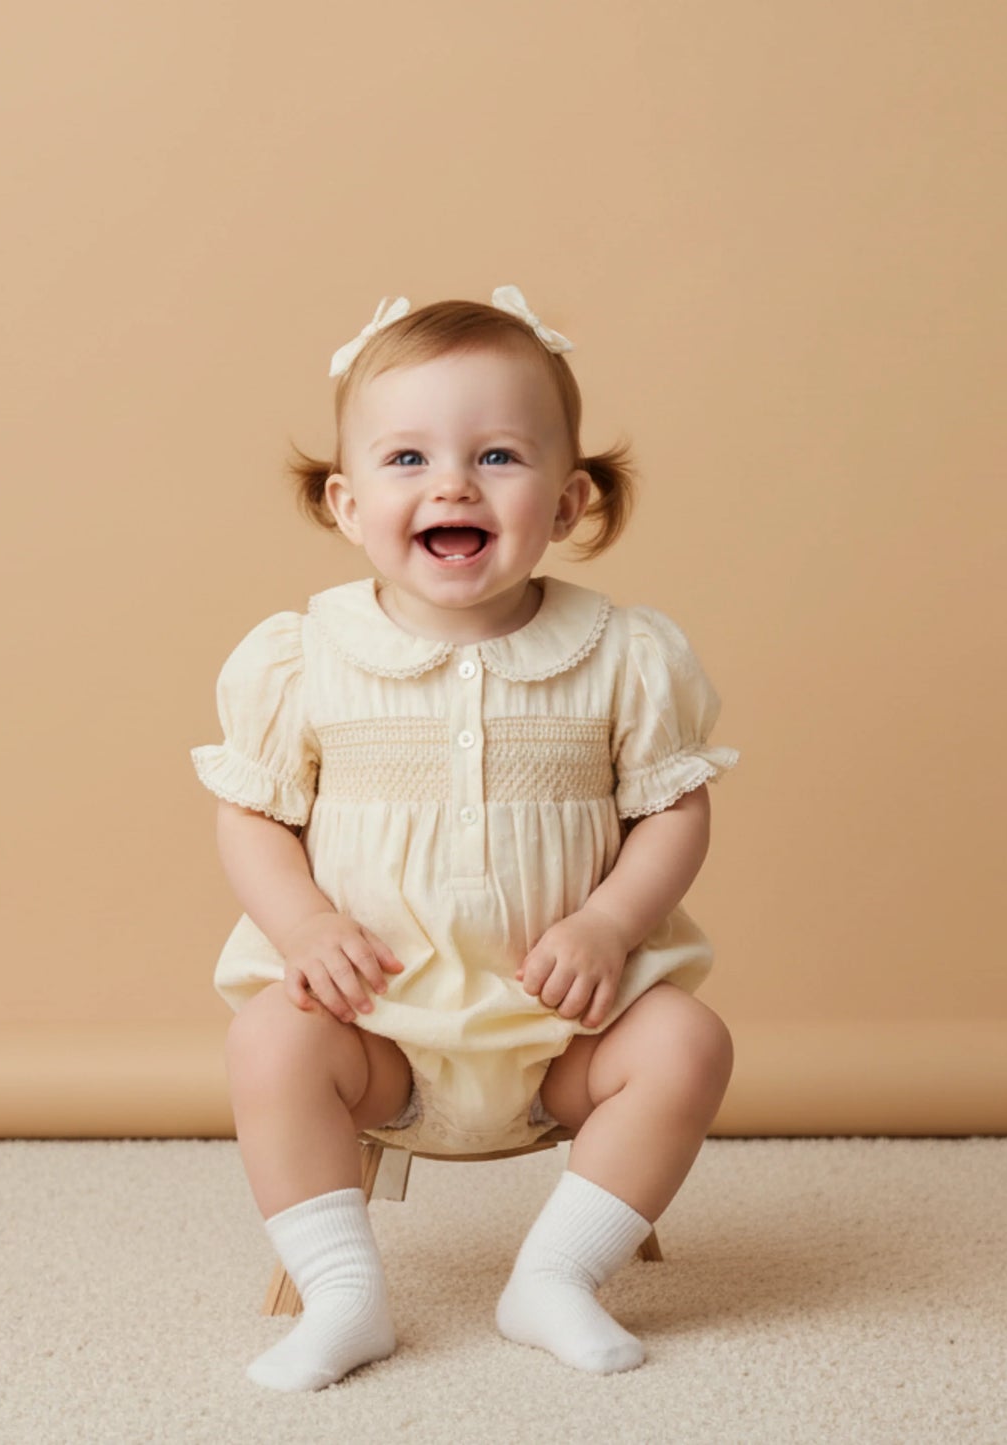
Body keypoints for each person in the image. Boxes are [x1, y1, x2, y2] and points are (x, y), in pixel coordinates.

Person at [190, 285, 740, 1391]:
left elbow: (672, 806)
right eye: (406, 460)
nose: (450, 482)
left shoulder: (619, 653)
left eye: (496, 455)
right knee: (266, 1043)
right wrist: (301, 922)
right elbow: (251, 810)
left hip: (565, 1033)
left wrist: (607, 919)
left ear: (568, 496)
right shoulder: (308, 655)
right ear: (346, 505)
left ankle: (554, 1276)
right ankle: (345, 1294)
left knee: (687, 1042)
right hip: (375, 1031)